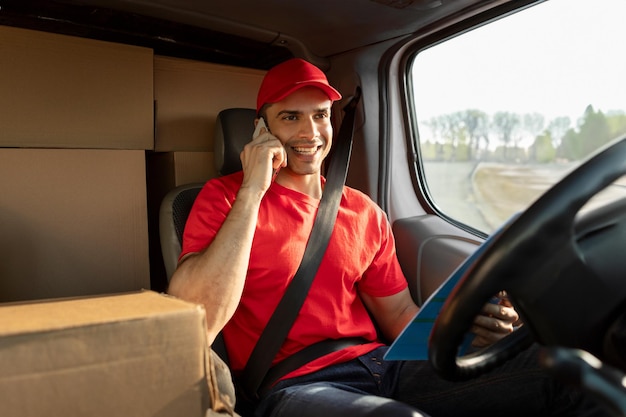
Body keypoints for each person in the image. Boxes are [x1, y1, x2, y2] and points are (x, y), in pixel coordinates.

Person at [168, 58, 605, 417]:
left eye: (320, 115)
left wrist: (465, 329)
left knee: (574, 373)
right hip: (293, 388)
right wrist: (253, 189)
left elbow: (398, 314)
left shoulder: (364, 212)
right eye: (290, 117)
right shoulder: (222, 199)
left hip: (385, 366)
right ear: (261, 130)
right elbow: (196, 318)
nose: (310, 132)